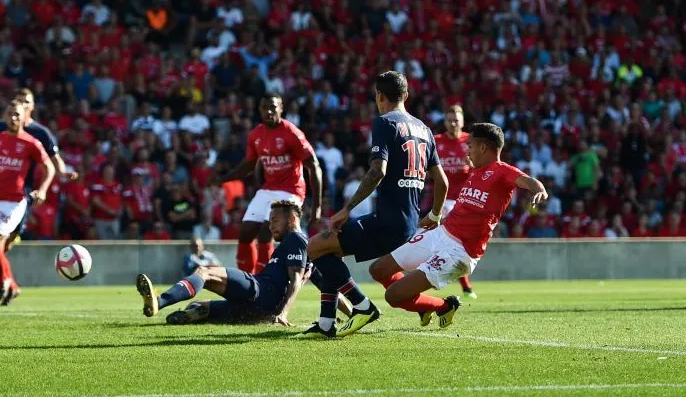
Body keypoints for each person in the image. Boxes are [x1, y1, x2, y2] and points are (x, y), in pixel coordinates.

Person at [301, 71, 450, 338]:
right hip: (409, 223)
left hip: (387, 222)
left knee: (314, 245)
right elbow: (442, 181)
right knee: (328, 252)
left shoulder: (384, 122)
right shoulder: (425, 130)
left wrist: (346, 209)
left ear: (378, 96)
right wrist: (436, 214)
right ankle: (325, 324)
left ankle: (362, 306)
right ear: (406, 95)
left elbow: (377, 171)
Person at [361, 123, 548, 336]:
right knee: (378, 269)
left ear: (483, 148)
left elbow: (529, 182)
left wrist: (539, 191)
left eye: (470, 146)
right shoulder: (476, 172)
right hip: (440, 234)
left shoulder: (502, 171)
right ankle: (424, 306)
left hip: (459, 252)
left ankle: (444, 306)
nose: (466, 150)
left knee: (393, 297)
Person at [0, 88, 76, 304]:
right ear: (4, 116)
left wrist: (43, 189)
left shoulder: (33, 141)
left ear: (26, 113)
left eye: (18, 114)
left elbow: (50, 166)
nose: (14, 117)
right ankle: (8, 285)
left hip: (16, 200)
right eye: (10, 114)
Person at [135, 200, 309, 326]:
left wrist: (283, 313)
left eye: (275, 220)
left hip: (260, 291)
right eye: (270, 221)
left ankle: (159, 301)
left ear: (292, 220)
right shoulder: (308, 251)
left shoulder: (295, 239)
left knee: (204, 272)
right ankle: (198, 313)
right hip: (260, 311)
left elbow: (295, 279)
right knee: (198, 305)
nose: (270, 226)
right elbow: (329, 288)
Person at [212, 93, 322, 274]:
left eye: (273, 107)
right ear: (260, 110)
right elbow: (248, 165)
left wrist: (316, 208)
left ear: (281, 108)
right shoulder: (256, 134)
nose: (269, 111)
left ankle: (264, 278)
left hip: (291, 190)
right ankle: (247, 281)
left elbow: (314, 166)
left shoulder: (291, 133)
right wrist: (222, 179)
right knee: (245, 232)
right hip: (269, 188)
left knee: (266, 231)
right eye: (265, 108)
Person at [434, 104, 477, 298]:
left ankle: (459, 280)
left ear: (462, 122)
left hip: (467, 200)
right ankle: (465, 286)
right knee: (449, 244)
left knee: (462, 244)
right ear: (444, 122)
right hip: (444, 200)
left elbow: (484, 168)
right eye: (449, 120)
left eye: (456, 120)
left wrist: (473, 165)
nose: (452, 123)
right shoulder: (436, 141)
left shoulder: (471, 141)